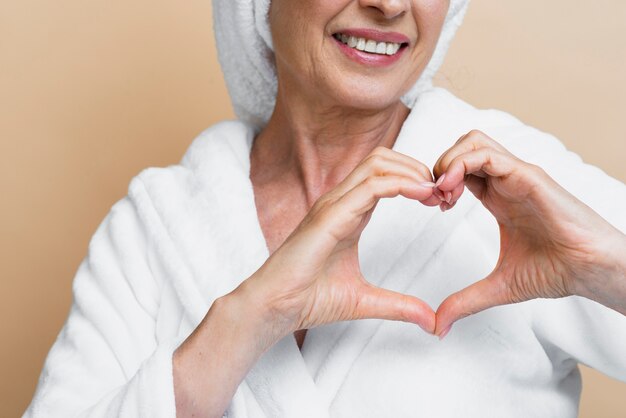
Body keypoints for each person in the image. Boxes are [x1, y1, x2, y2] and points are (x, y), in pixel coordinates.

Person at [24, 0, 626, 417]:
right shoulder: (158, 224)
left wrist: (605, 267)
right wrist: (248, 318)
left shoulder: (523, 194)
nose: (389, 5)